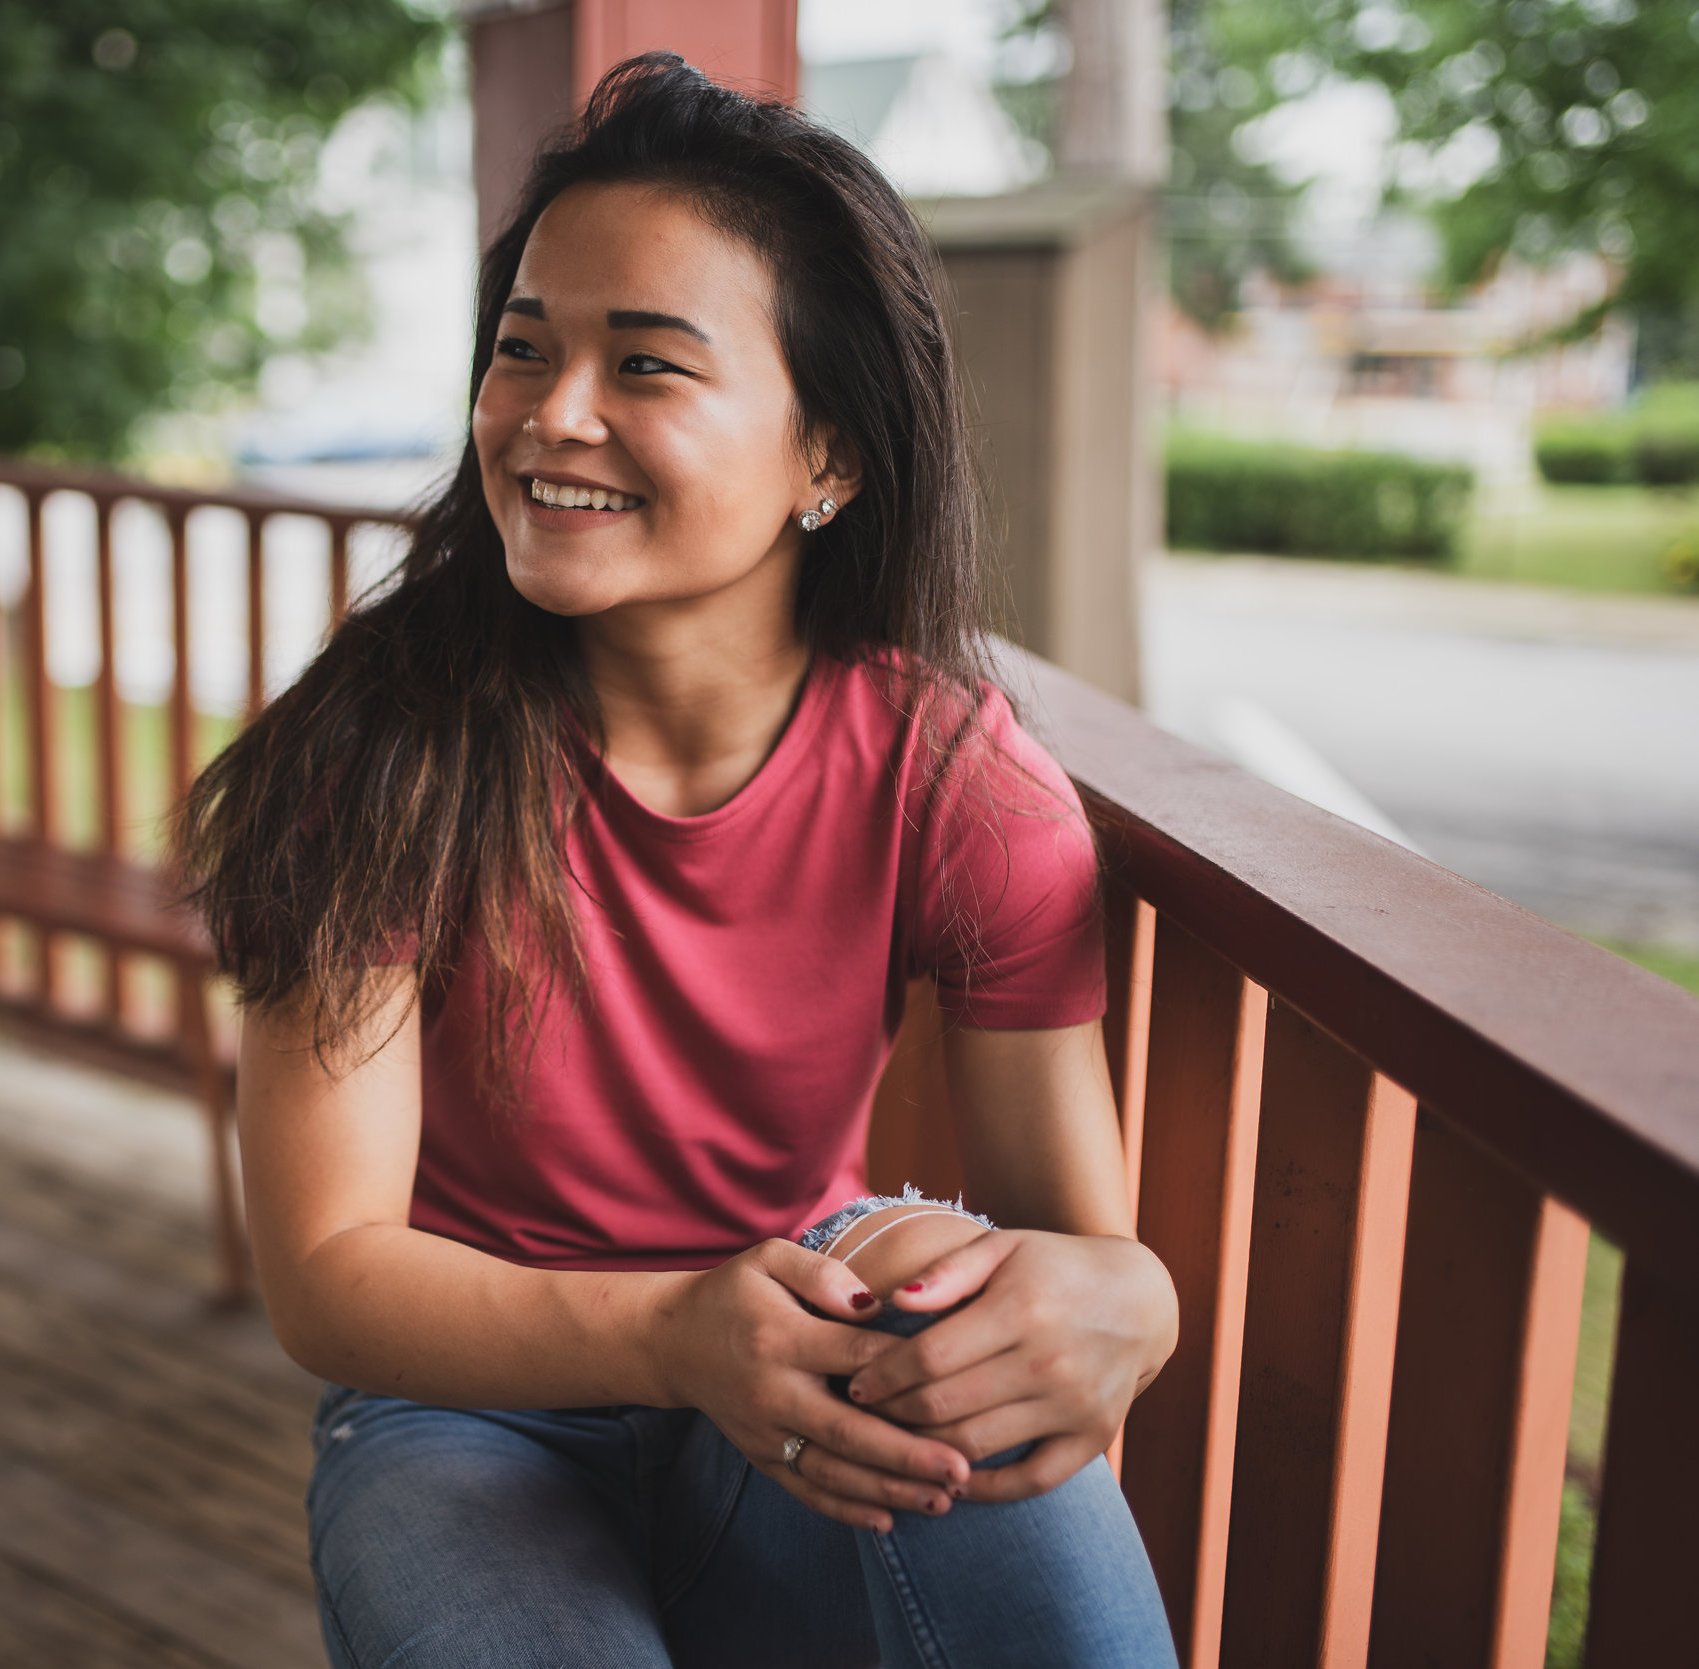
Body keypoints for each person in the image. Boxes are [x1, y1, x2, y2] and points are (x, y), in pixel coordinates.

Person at [177, 53, 1182, 1668]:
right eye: (523, 349)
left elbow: (1073, 1248)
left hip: (792, 1385)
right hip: (467, 1415)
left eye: (645, 363)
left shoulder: (957, 781)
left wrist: (1138, 1305)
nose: (549, 412)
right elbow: (328, 1272)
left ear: (829, 459)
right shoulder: (376, 752)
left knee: (950, 1304)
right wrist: (668, 1328)